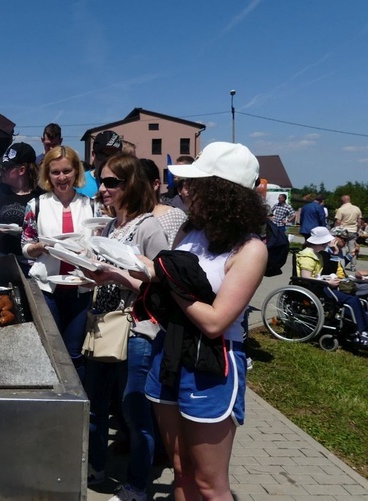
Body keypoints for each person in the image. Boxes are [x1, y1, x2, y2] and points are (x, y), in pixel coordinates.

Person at [142, 142, 269, 501]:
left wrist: (169, 280)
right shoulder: (189, 232)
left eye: (195, 184)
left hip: (212, 362)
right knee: (181, 469)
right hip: (167, 351)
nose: (186, 190)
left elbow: (214, 322)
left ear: (221, 192)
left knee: (210, 484)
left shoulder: (250, 249)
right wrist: (116, 273)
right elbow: (162, 283)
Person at [82, 154, 169, 495]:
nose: (102, 189)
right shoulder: (107, 227)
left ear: (130, 184)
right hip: (102, 323)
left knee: (134, 412)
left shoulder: (148, 226)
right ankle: (96, 468)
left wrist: (116, 276)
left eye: (111, 183)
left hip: (136, 328)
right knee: (96, 406)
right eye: (102, 182)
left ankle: (137, 484)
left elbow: (162, 282)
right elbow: (104, 277)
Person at [21, 145, 94, 381]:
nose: (61, 178)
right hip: (47, 290)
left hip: (81, 290)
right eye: (55, 172)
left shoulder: (91, 206)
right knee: (50, 351)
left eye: (67, 171)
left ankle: (78, 405)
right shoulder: (36, 205)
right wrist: (39, 248)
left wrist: (90, 255)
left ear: (76, 172)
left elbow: (100, 246)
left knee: (74, 353)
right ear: (47, 175)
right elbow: (26, 245)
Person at [0, 143, 42, 275]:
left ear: (21, 170)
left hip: (28, 263)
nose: (1, 171)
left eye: (6, 168)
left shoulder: (41, 196)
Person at [297, 226, 368, 347]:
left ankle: (363, 330)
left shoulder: (317, 254)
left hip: (321, 285)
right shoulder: (307, 255)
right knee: (351, 299)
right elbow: (305, 278)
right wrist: (327, 282)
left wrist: (328, 278)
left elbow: (323, 273)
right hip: (316, 288)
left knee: (354, 298)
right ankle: (361, 332)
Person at [140, 158, 187, 246]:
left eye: (138, 184)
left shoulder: (174, 216)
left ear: (155, 184)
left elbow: (175, 255)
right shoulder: (123, 219)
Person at [78, 130, 122, 199]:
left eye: (114, 156)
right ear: (93, 155)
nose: (107, 160)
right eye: (102, 155)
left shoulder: (126, 183)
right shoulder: (79, 181)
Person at [334, 195, 362, 271]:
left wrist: (335, 229)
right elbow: (359, 221)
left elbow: (338, 221)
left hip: (343, 231)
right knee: (352, 248)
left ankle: (341, 263)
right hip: (353, 230)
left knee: (341, 247)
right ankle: (353, 266)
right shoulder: (357, 209)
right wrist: (358, 230)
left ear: (342, 201)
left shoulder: (341, 209)